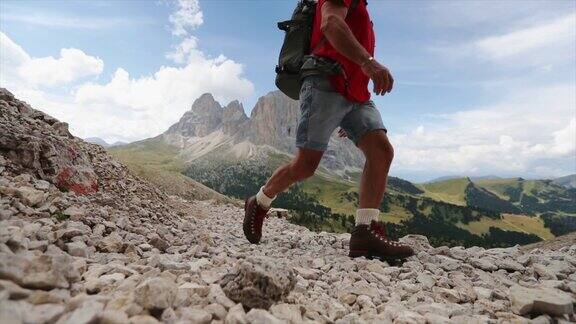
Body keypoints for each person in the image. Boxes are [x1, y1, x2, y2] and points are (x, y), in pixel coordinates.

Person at [243, 0, 414, 261]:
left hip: (355, 93)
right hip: (325, 83)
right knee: (305, 166)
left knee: (381, 151)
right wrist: (370, 63)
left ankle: (364, 232)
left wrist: (349, 115)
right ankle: (259, 202)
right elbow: (331, 23)